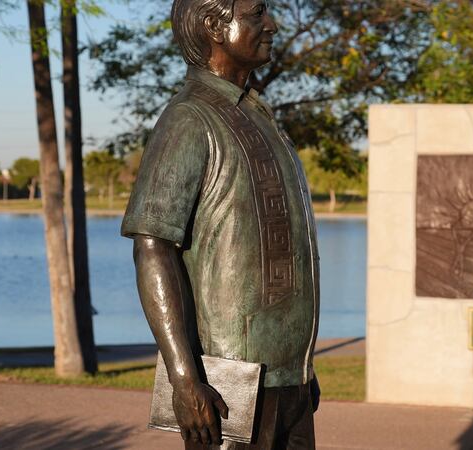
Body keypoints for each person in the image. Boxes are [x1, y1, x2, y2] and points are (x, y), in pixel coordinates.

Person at [120, 0, 320, 449]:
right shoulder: (189, 118)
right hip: (229, 382)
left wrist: (300, 362)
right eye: (255, 14)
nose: (270, 24)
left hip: (288, 377)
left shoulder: (257, 115)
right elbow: (152, 246)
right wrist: (184, 378)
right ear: (214, 25)